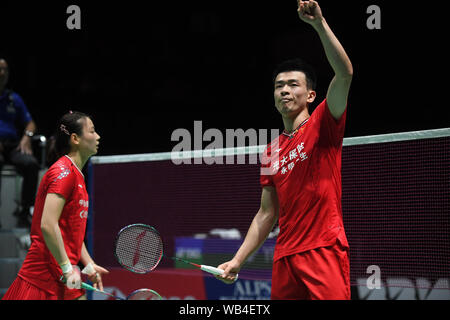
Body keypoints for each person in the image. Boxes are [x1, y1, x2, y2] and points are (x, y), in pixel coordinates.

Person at [217, 1, 353, 300]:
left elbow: (344, 74)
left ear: (311, 95)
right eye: (279, 86)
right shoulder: (271, 151)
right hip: (285, 256)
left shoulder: (323, 123)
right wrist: (238, 260)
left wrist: (319, 24)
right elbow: (267, 213)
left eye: (293, 84)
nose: (285, 90)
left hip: (323, 248)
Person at [2, 111, 109, 300]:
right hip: (42, 276)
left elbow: (71, 232)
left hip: (63, 272)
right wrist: (67, 268)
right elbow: (48, 224)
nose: (98, 136)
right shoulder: (64, 173)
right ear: (75, 138)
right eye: (92, 131)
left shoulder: (78, 176)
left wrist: (88, 263)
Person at [0, 57, 40, 228]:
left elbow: (30, 123)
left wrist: (27, 136)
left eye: (5, 69)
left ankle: (25, 210)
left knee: (31, 164)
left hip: (12, 145)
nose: (2, 73)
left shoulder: (13, 98)